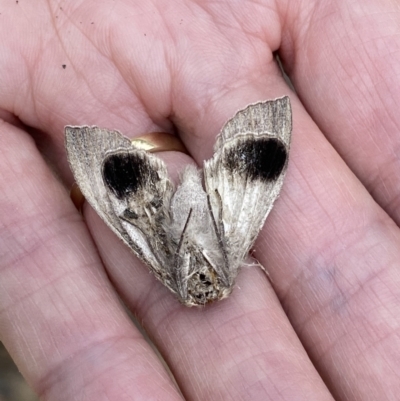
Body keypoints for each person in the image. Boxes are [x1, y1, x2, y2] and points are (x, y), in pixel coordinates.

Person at [1, 1, 399, 400]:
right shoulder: (210, 272)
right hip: (221, 221)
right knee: (254, 170)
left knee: (123, 197)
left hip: (168, 230)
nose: (204, 287)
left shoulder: (180, 277)